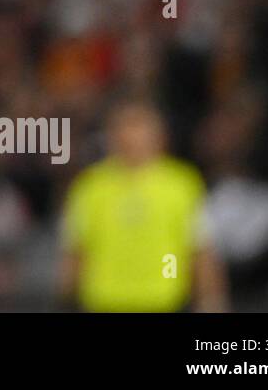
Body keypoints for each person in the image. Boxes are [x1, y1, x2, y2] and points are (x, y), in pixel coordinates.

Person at [60, 99, 229, 312]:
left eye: (139, 127)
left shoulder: (182, 185)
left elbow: (200, 249)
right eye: (124, 127)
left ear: (159, 136)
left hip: (163, 301)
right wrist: (65, 301)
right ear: (111, 135)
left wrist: (212, 301)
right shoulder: (90, 187)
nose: (132, 137)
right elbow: (76, 251)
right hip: (104, 302)